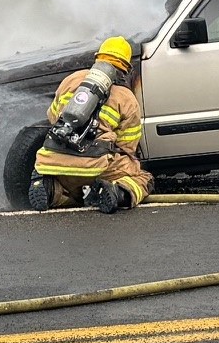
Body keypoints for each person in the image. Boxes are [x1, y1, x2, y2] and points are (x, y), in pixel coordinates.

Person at [26, 36, 151, 212]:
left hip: (54, 162)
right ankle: (118, 192)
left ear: (97, 57)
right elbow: (126, 147)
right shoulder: (127, 99)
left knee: (70, 187)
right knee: (142, 177)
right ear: (126, 68)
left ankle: (52, 189)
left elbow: (53, 117)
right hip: (95, 166)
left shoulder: (70, 80)